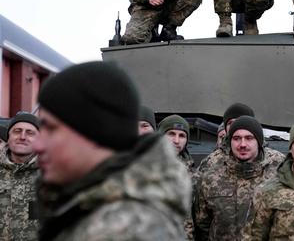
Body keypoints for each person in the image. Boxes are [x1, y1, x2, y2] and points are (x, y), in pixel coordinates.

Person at [34, 61, 191, 240]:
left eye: (51, 128)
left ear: (95, 132)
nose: (37, 145)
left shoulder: (129, 230)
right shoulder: (95, 210)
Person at [194, 116, 284, 240]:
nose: (242, 144)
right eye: (236, 138)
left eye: (249, 138)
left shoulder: (278, 173)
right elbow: (202, 223)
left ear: (258, 141)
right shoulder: (211, 176)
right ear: (229, 142)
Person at [0, 112, 40, 241]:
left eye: (30, 133)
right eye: (17, 131)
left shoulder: (53, 176)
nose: (22, 137)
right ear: (8, 136)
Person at [197, 102, 255, 171]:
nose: (234, 126)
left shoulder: (270, 161)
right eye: (230, 123)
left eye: (240, 121)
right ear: (225, 128)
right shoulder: (211, 162)